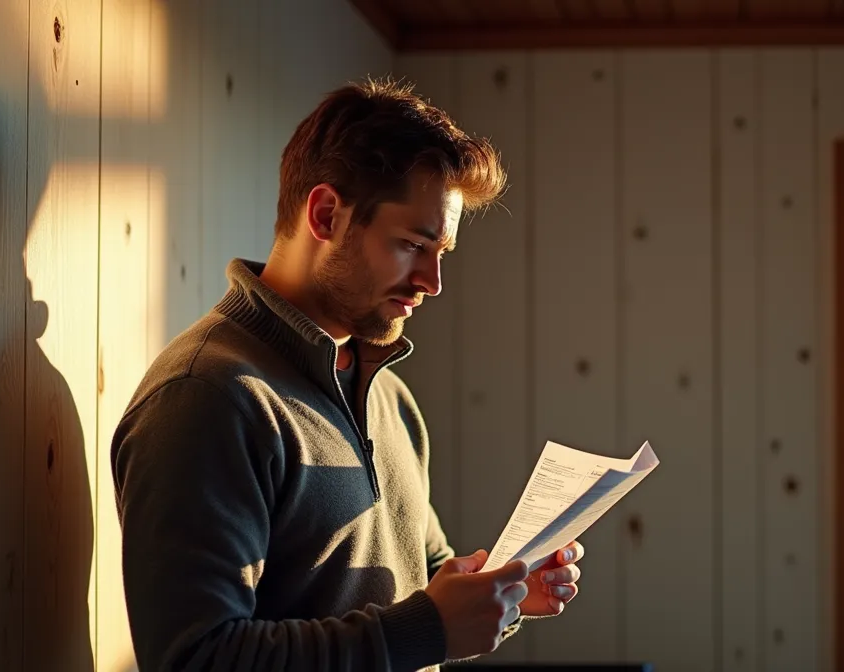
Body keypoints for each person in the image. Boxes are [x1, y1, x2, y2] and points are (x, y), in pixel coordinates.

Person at [110, 78, 584, 672]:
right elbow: (198, 658)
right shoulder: (207, 398)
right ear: (327, 214)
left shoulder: (390, 397)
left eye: (443, 253)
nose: (432, 282)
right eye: (413, 244)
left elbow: (422, 574)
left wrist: (501, 590)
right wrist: (429, 629)